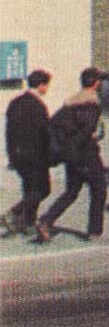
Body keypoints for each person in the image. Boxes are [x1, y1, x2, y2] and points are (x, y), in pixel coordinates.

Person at [36, 67, 107, 243]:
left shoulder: (70, 103)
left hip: (70, 155)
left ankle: (46, 221)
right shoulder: (92, 104)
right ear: (97, 83)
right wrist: (89, 139)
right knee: (99, 190)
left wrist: (67, 150)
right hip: (86, 154)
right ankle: (95, 232)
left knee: (71, 191)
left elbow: (54, 125)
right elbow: (86, 132)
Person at [5, 69, 53, 235]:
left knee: (30, 188)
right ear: (41, 85)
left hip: (18, 154)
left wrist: (11, 155)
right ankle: (15, 213)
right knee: (43, 189)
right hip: (36, 155)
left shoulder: (15, 102)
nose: (47, 89)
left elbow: (9, 131)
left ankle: (27, 223)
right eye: (46, 85)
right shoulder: (39, 107)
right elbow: (45, 133)